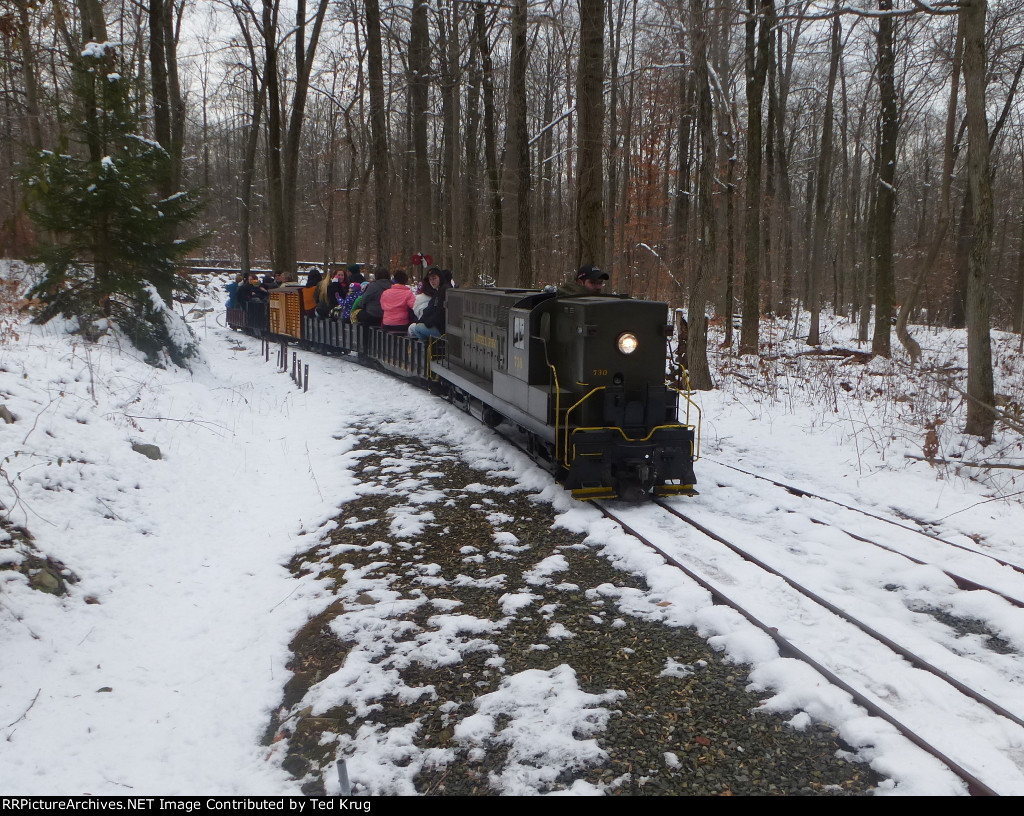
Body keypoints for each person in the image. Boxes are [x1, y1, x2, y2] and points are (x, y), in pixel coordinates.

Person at [410, 268, 451, 341]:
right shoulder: (438, 292)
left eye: (434, 278)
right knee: (417, 327)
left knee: (417, 328)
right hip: (439, 327)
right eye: (430, 279)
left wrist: (428, 323)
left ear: (440, 278)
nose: (432, 281)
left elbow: (441, 312)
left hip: (443, 331)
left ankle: (427, 348)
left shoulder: (444, 291)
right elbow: (429, 310)